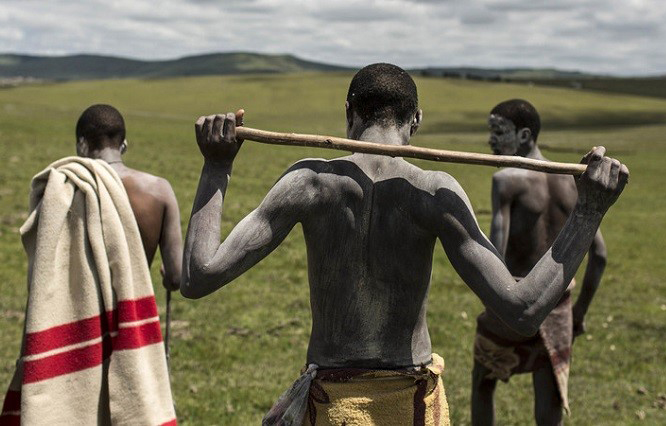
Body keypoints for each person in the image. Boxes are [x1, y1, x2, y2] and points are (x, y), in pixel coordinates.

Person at [181, 64, 628, 425]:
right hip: (413, 407)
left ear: (349, 112)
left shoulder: (309, 182)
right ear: (415, 121)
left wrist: (216, 168)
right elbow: (524, 310)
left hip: (333, 406)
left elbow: (199, 277)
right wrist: (588, 211)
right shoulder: (436, 190)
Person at [471, 99, 607, 425]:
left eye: (498, 131)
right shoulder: (573, 181)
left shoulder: (506, 180)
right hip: (558, 306)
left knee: (483, 384)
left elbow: (494, 255)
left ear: (524, 135)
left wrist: (497, 305)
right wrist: (577, 315)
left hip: (511, 302)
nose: (490, 140)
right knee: (549, 400)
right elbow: (599, 255)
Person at [76, 104, 182, 290]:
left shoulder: (69, 187)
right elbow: (176, 278)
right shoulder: (160, 189)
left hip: (83, 313)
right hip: (133, 311)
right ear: (124, 145)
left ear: (81, 145)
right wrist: (168, 277)